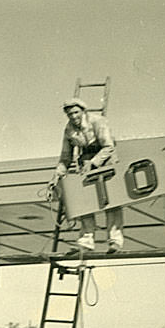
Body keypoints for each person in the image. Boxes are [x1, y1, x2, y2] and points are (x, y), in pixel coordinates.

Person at [51, 97, 122, 253]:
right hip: (86, 162)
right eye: (70, 114)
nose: (73, 117)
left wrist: (94, 162)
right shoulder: (69, 130)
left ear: (83, 111)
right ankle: (86, 242)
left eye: (76, 112)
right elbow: (65, 156)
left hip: (106, 160)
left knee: (111, 202)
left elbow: (108, 146)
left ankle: (115, 241)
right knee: (85, 203)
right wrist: (57, 174)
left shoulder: (98, 121)